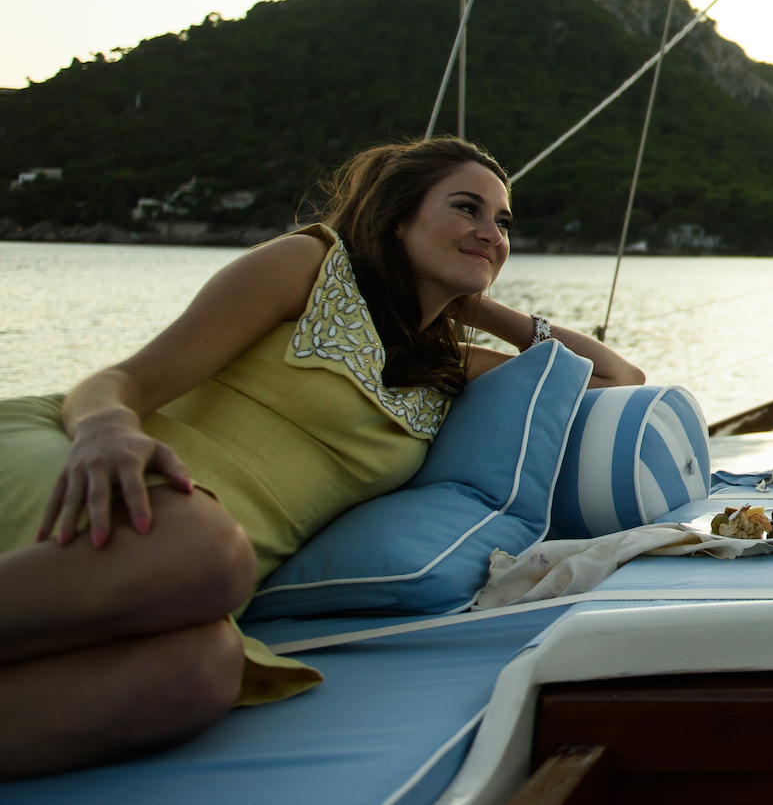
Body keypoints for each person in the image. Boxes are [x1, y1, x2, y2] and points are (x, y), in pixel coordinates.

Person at [0, 137, 646, 779]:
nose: (491, 233)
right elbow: (123, 381)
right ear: (397, 219)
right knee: (207, 549)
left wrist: (477, 303)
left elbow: (616, 377)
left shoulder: (445, 369)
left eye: (502, 223)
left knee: (202, 674)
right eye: (466, 209)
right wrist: (105, 431)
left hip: (204, 569)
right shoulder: (309, 267)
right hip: (101, 459)